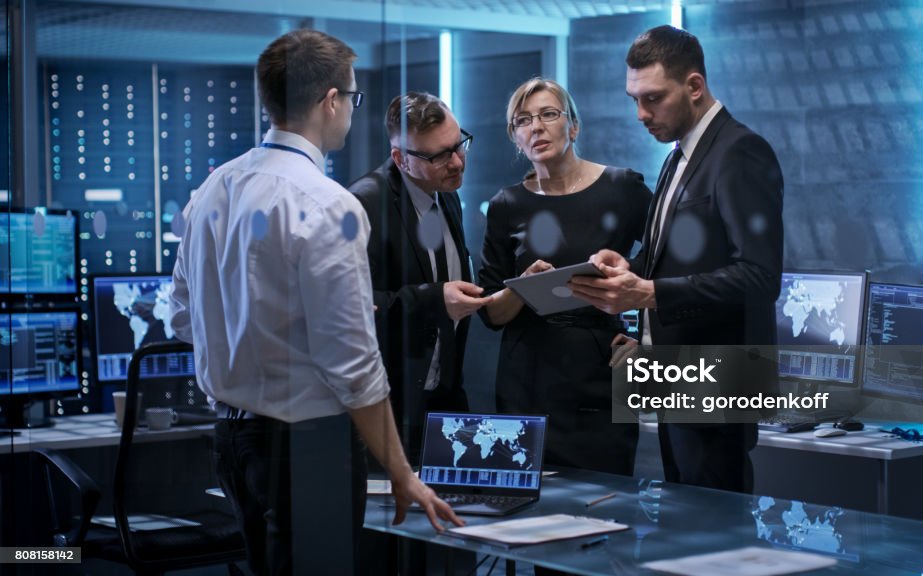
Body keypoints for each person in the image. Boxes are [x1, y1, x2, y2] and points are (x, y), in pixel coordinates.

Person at [169, 30, 461, 575]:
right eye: (353, 98)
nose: (351, 109)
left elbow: (183, 317)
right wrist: (401, 472)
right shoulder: (327, 204)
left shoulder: (211, 191)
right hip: (305, 447)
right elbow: (352, 363)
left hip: (232, 440)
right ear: (332, 101)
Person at [570, 25, 784, 493]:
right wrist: (632, 268)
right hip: (677, 376)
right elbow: (678, 254)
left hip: (719, 382)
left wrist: (649, 292)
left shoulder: (741, 152)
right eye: (634, 100)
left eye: (653, 98)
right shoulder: (678, 155)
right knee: (689, 536)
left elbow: (760, 276)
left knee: (715, 543)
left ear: (694, 86)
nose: (641, 114)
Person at [477, 77, 651, 476]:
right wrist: (522, 288)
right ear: (515, 138)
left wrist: (646, 340)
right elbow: (491, 314)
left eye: (548, 115)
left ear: (573, 126)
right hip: (527, 376)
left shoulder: (622, 187)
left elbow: (668, 264)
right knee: (524, 502)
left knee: (609, 499)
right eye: (523, 120)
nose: (535, 127)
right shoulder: (506, 205)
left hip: (603, 370)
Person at [349, 92, 490, 463]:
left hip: (443, 401)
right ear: (401, 159)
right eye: (439, 155)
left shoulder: (447, 194)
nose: (457, 162)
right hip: (389, 409)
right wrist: (433, 299)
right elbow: (353, 308)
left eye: (460, 145)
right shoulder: (365, 203)